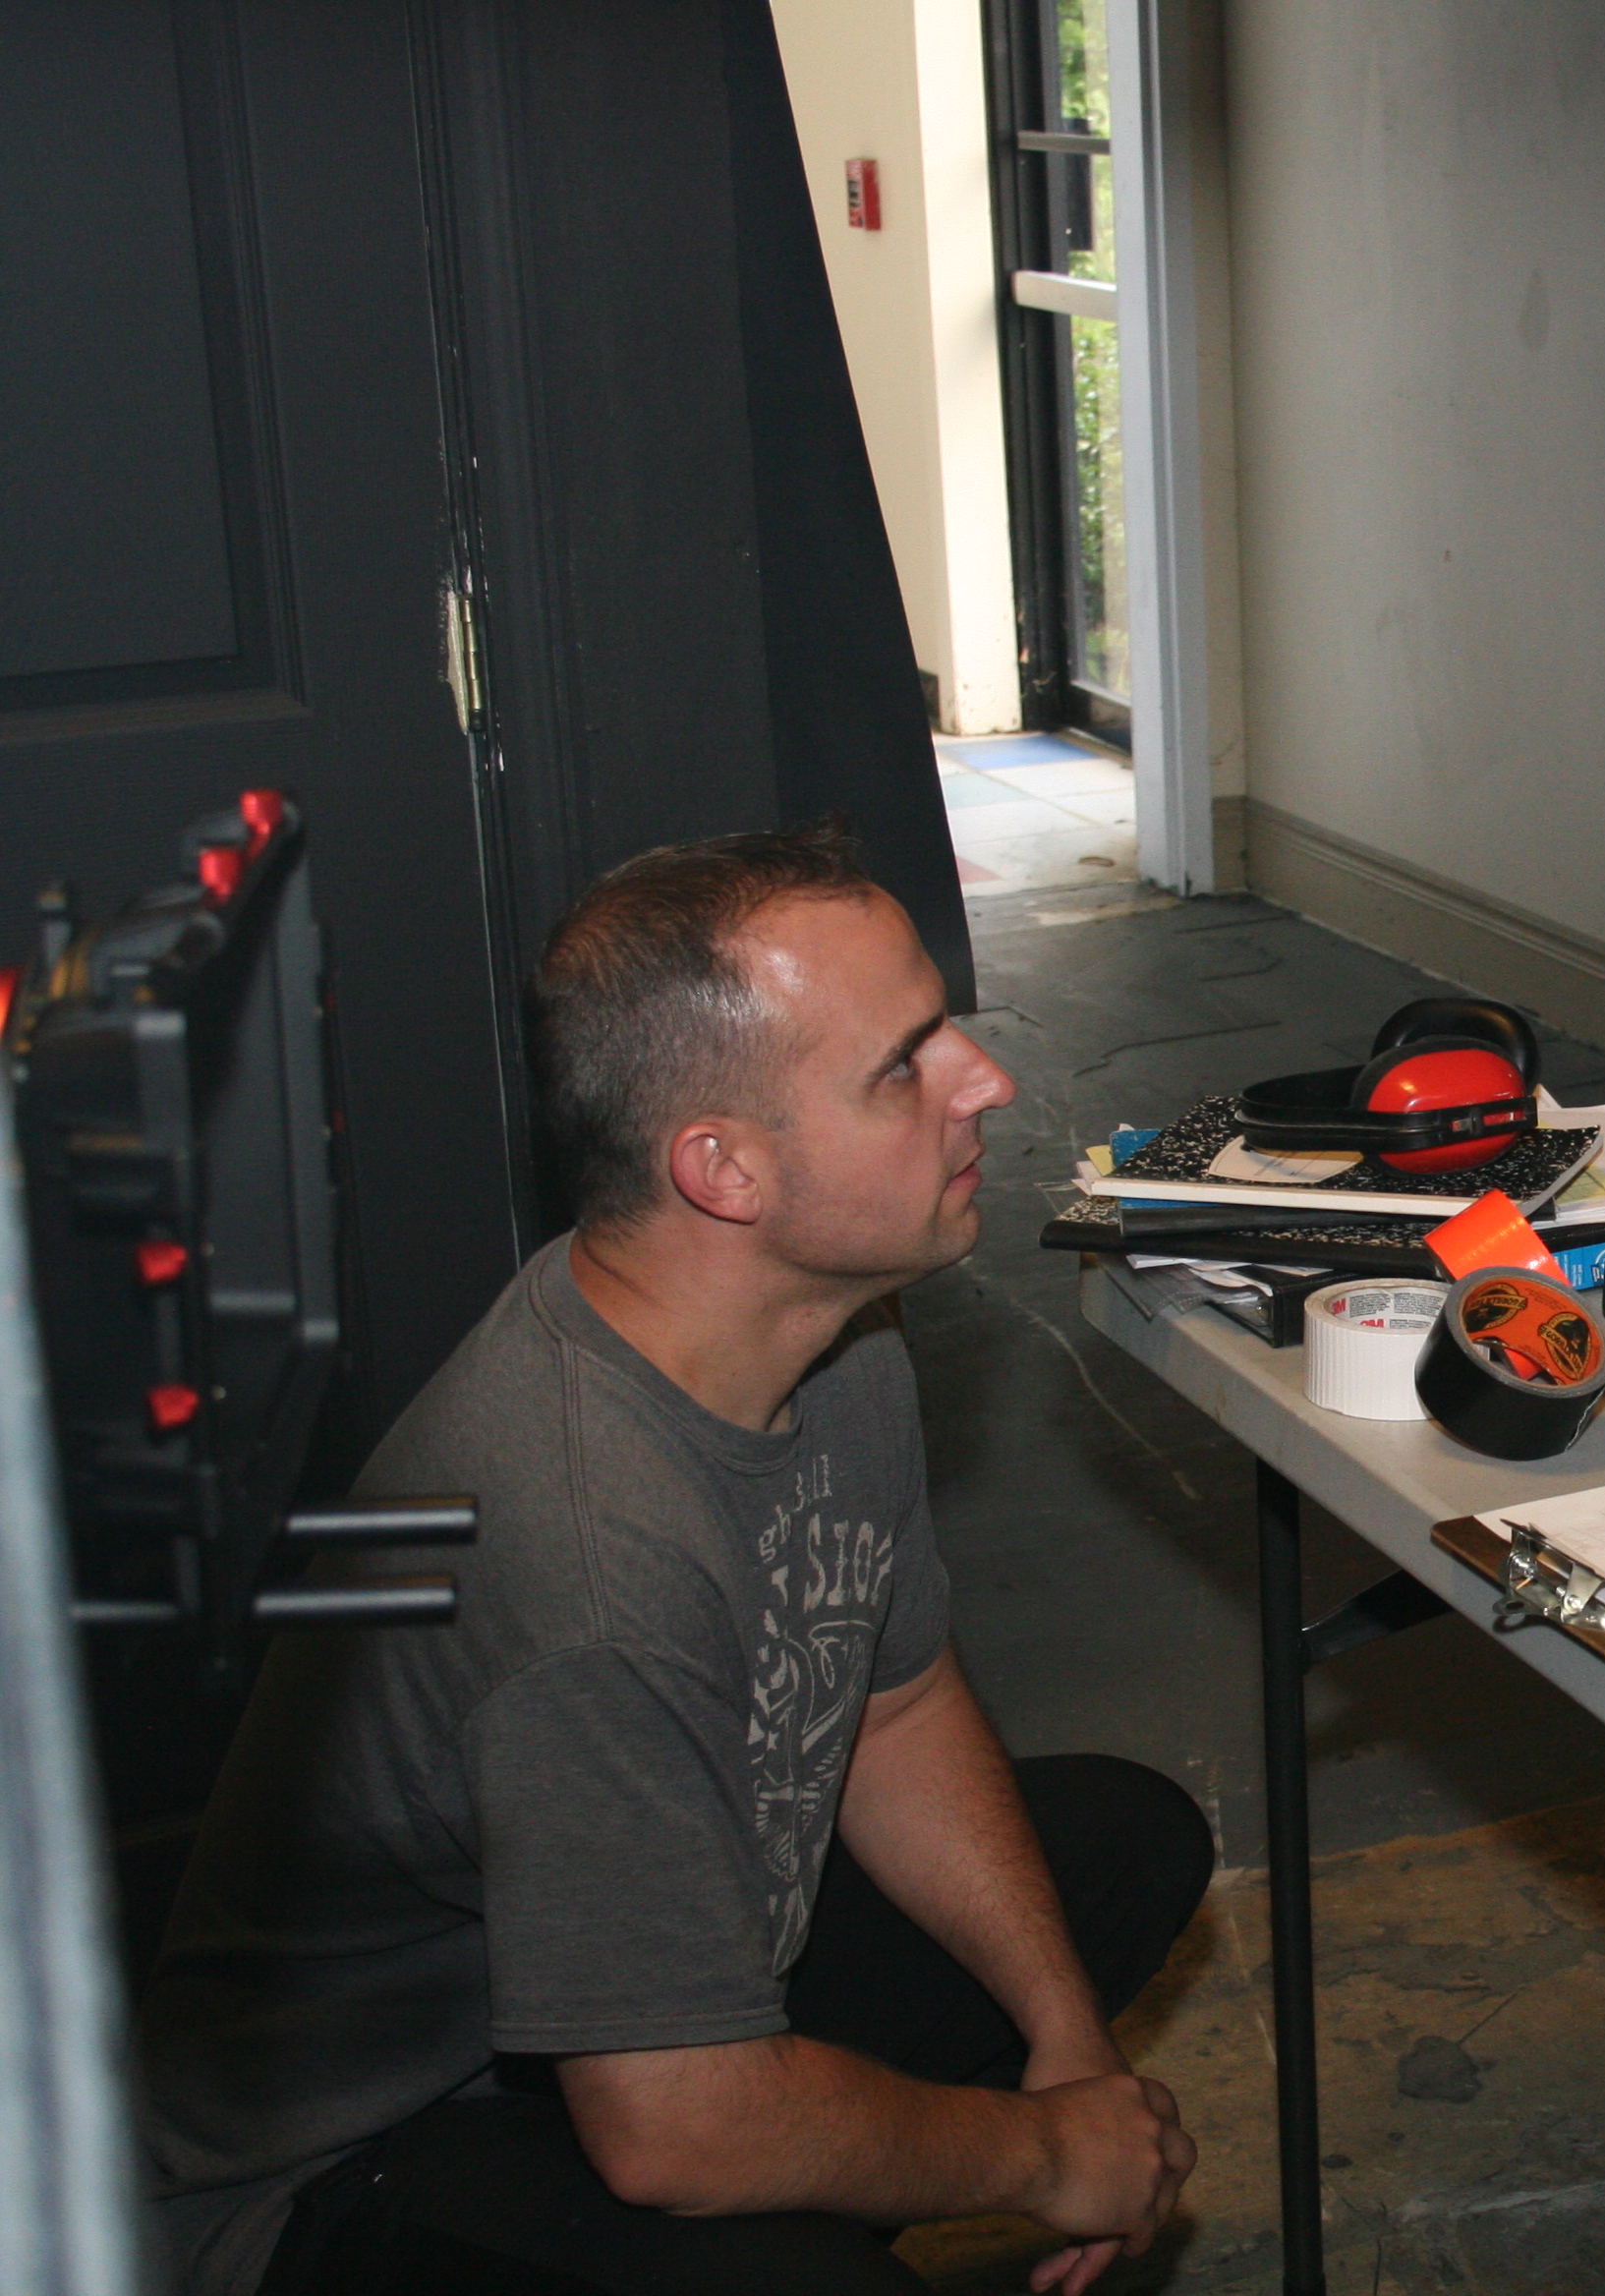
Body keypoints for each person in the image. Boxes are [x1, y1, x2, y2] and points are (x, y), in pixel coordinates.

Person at [140, 826, 1214, 2296]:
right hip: (358, 2159)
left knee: (1125, 1845)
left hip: (630, 2014)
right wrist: (1038, 2159)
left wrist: (1067, 2048)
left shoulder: (829, 1338)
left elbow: (889, 1699)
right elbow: (673, 2135)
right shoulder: (584, 1553)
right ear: (724, 1172)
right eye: (904, 1064)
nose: (986, 1079)